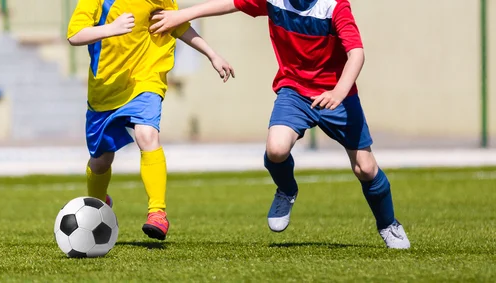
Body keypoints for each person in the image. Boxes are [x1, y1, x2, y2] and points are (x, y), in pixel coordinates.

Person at [149, 0, 410, 248]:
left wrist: (338, 92)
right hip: (294, 91)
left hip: (336, 94)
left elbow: (356, 54)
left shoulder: (334, 5)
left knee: (365, 168)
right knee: (276, 149)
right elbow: (230, 4)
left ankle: (388, 225)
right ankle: (287, 190)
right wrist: (182, 15)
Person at [67, 0, 234, 241]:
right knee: (101, 161)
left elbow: (177, 24)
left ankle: (157, 212)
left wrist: (212, 54)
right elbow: (75, 34)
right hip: (105, 89)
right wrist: (111, 28)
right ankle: (98, 204)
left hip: (146, 79)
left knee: (147, 135)